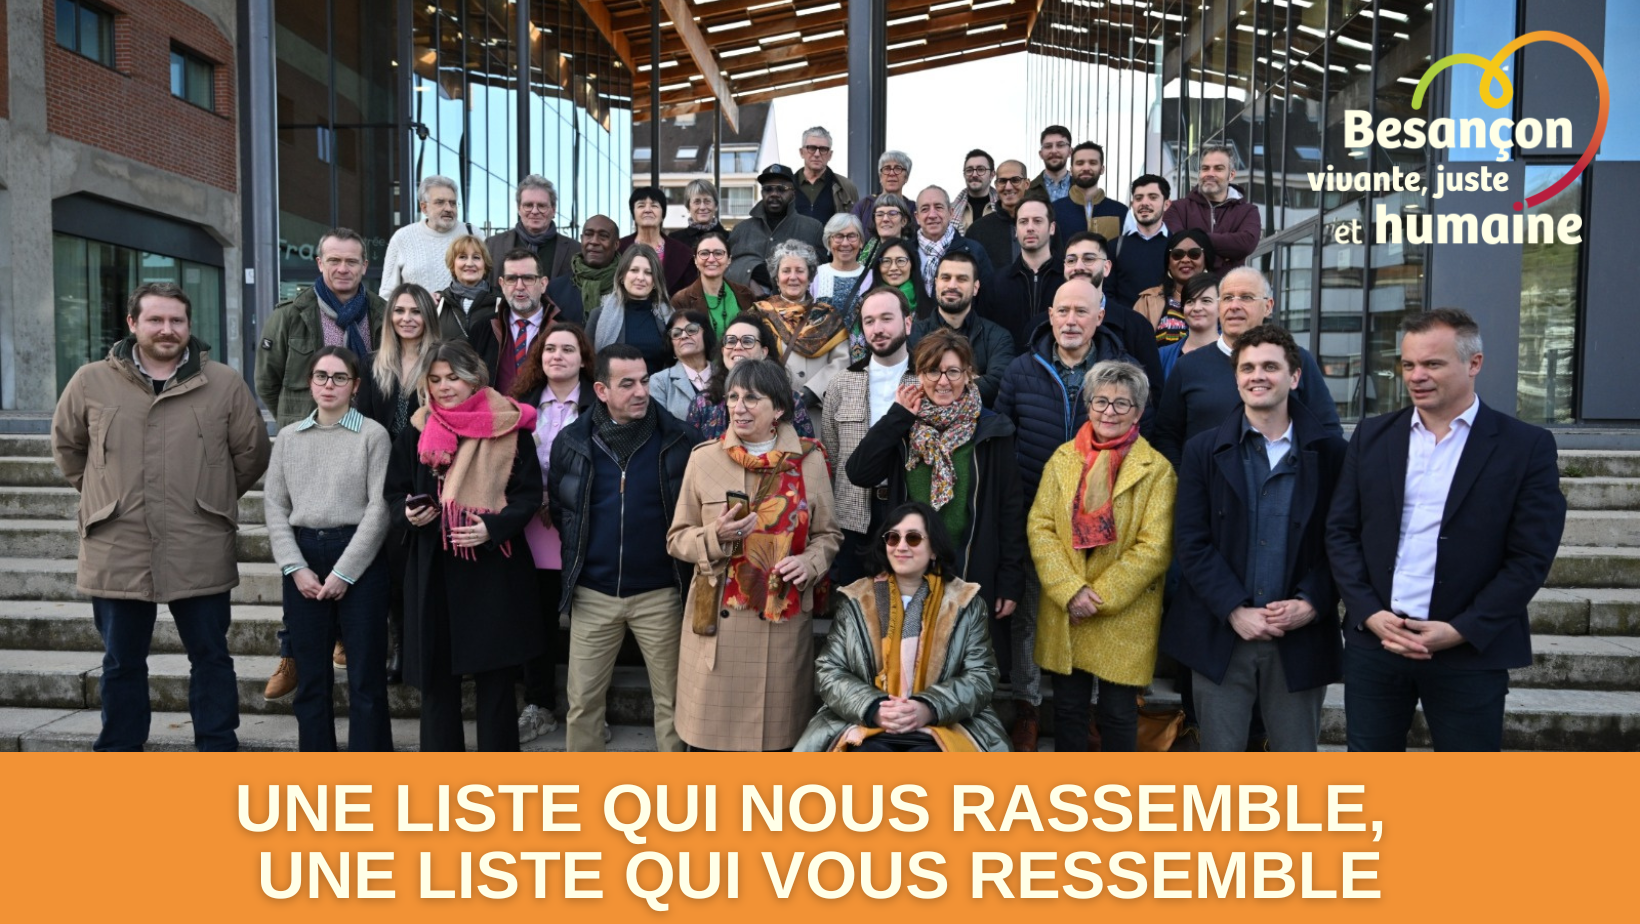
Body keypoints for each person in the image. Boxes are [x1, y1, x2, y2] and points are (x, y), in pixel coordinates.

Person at [1327, 309, 1566, 751]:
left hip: (1468, 651)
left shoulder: (1525, 447)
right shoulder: (1373, 435)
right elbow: (1341, 531)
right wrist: (1369, 614)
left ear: (1474, 364)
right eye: (1408, 364)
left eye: (1432, 364)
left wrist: (1461, 630)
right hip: (1377, 644)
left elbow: (1530, 558)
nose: (1416, 376)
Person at [52, 282, 272, 751]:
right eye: (155, 319)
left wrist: (208, 496)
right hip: (118, 543)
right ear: (132, 324)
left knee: (211, 657)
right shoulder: (91, 381)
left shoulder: (224, 383)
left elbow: (251, 453)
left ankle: (217, 748)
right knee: (121, 662)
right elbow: (69, 449)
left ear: (189, 327)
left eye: (176, 321)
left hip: (200, 541)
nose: (166, 329)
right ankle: (121, 751)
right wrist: (106, 496)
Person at [1164, 324, 1347, 752]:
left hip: (1299, 635)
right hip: (1221, 633)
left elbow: (1343, 541)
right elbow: (1191, 540)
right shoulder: (1202, 451)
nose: (1257, 375)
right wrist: (1233, 608)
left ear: (1295, 377)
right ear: (1236, 377)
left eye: (1270, 366)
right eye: (1247, 367)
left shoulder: (1332, 454)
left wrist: (1313, 603)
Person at [995, 278, 1144, 749]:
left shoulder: (1122, 373)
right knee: (1031, 615)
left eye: (1081, 311)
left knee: (1093, 613)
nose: (1071, 320)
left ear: (1100, 316)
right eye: (1062, 311)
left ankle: (1094, 708)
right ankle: (1028, 706)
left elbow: (1141, 439)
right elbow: (1003, 437)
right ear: (1050, 316)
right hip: (1034, 512)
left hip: (1100, 520)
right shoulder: (1022, 370)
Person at [668, 358, 841, 751]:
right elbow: (677, 538)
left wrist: (808, 563)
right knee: (711, 756)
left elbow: (828, 535)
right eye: (732, 396)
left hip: (779, 625)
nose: (738, 406)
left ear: (778, 409)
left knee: (772, 752)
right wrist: (716, 535)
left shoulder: (809, 461)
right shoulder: (704, 458)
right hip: (718, 623)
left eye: (751, 398)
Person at [847, 326, 1028, 695]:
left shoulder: (993, 430)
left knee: (962, 671)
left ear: (969, 375)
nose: (942, 381)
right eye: (932, 371)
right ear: (918, 375)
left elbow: (1010, 510)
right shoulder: (904, 427)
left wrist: (1010, 577)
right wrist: (899, 415)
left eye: (953, 371)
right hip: (907, 571)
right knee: (907, 673)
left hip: (970, 567)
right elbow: (859, 472)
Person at [385, 340, 543, 751]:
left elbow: (529, 495)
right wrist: (408, 514)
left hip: (491, 570)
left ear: (474, 378)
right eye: (435, 379)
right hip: (433, 569)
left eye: (453, 377)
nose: (444, 387)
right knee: (438, 686)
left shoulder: (508, 425)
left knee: (495, 686)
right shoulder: (416, 430)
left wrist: (492, 528)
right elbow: (394, 493)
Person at [549, 344, 701, 752]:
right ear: (601, 390)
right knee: (582, 704)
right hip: (594, 594)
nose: (640, 391)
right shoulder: (572, 442)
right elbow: (562, 508)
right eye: (627, 383)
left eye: (645, 381)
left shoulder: (681, 440)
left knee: (673, 703)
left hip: (660, 593)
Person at [1028, 360, 1175, 752]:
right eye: (1101, 402)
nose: (1109, 411)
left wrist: (1099, 597)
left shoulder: (1157, 470)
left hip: (1123, 612)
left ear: (1138, 412)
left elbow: (1155, 546)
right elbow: (1040, 527)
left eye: (1121, 404)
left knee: (1118, 713)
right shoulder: (1062, 459)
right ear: (1089, 406)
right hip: (1068, 606)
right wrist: (1070, 590)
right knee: (1069, 710)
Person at [796, 502, 1009, 752]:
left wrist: (929, 708)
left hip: (944, 727)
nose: (901, 546)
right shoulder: (856, 600)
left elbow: (982, 675)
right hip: (866, 725)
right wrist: (874, 708)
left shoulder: (964, 602)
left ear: (934, 550)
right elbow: (830, 670)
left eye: (914, 538)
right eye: (893, 538)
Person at [263, 346, 393, 752]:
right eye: (321, 376)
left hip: (358, 556)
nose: (329, 384)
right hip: (303, 557)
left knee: (366, 677)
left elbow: (380, 507)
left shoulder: (372, 435)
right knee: (312, 677)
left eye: (339, 377)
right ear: (310, 382)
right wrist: (294, 567)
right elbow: (274, 506)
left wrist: (345, 572)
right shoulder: (288, 438)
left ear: (355, 386)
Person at [1153, 267, 1343, 466]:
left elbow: (1327, 431)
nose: (1234, 305)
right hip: (1208, 491)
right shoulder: (1188, 366)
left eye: (1246, 297)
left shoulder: (1295, 359)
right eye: (1227, 298)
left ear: (1268, 306)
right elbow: (1166, 435)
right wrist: (1185, 482)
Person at [510, 321, 597, 745]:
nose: (557, 356)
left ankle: (589, 712)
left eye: (567, 349)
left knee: (590, 621)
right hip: (532, 526)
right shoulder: (520, 405)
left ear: (583, 358)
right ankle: (540, 704)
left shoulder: (599, 406)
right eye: (549, 350)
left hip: (584, 525)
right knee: (534, 618)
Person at [353, 282, 442, 686]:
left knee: (425, 570)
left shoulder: (442, 362)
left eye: (416, 311)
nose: (407, 318)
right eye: (400, 311)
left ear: (429, 316)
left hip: (430, 473)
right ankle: (400, 647)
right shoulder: (374, 365)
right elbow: (365, 425)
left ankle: (430, 649)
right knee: (391, 568)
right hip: (384, 477)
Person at [822, 286, 918, 585]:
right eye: (869, 321)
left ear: (908, 323)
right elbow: (832, 453)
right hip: (853, 520)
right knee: (854, 614)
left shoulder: (926, 379)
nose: (877, 329)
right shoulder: (842, 384)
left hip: (910, 513)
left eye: (886, 318)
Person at [258, 227, 386, 428]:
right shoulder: (289, 316)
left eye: (351, 261)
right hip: (308, 433)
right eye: (334, 260)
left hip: (368, 430)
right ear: (320, 263)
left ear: (364, 266)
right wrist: (294, 420)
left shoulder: (384, 314)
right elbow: (267, 382)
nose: (342, 269)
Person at [1062, 231, 1164, 396]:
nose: (1078, 266)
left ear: (1107, 267)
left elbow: (1153, 394)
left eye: (1088, 259)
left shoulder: (1136, 327)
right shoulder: (1043, 325)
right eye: (1071, 260)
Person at [910, 250, 1016, 406]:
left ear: (975, 287)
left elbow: (996, 386)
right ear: (936, 283)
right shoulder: (913, 334)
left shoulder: (999, 337)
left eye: (961, 279)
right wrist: (970, 378)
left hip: (981, 427)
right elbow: (909, 383)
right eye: (946, 278)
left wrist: (934, 381)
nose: (952, 285)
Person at [686, 312, 815, 441]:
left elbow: (806, 451)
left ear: (764, 352)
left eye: (747, 341)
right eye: (730, 341)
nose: (737, 347)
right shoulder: (702, 403)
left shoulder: (789, 400)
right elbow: (691, 456)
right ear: (723, 351)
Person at [752, 240, 851, 407]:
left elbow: (842, 361)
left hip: (816, 412)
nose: (793, 277)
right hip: (773, 410)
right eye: (786, 271)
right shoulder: (758, 315)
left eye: (800, 271)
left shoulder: (829, 316)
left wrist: (812, 392)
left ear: (810, 277)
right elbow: (750, 360)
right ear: (777, 278)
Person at [981, 195, 1061, 353]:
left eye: (1037, 221)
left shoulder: (1068, 279)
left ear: (1051, 228)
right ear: (1016, 230)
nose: (1030, 227)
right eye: (1023, 222)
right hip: (1009, 371)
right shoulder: (995, 283)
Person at [1163, 143, 1261, 271]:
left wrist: (1194, 238)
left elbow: (1246, 245)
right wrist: (1226, 255)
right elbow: (1177, 244)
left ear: (1231, 175)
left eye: (1218, 169)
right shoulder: (1178, 208)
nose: (1210, 173)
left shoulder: (1248, 211)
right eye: (1205, 168)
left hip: (1227, 288)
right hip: (1189, 288)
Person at [728, 164, 826, 290]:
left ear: (793, 193)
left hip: (795, 306)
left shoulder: (813, 229)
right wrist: (751, 273)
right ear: (762, 193)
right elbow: (726, 268)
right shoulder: (741, 230)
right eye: (768, 189)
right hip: (746, 305)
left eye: (781, 189)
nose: (774, 194)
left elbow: (821, 274)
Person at [585, 243, 673, 374]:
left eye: (648, 273)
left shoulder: (670, 318)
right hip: (615, 392)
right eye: (634, 270)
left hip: (660, 393)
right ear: (621, 276)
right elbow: (588, 363)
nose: (640, 278)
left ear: (655, 281)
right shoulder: (598, 316)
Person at [379, 175, 471, 296]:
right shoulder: (402, 237)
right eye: (440, 202)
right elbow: (387, 294)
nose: (448, 208)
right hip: (416, 314)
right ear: (424, 207)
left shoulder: (473, 234)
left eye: (452, 203)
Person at [492, 248, 562, 396]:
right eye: (511, 279)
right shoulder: (483, 330)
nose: (519, 286)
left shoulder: (564, 330)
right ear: (502, 284)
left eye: (528, 278)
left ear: (543, 284)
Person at [485, 174, 579, 282]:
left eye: (542, 206)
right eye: (528, 205)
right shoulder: (492, 246)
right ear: (519, 209)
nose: (534, 211)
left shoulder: (575, 251)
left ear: (553, 210)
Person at [1132, 227, 1214, 345]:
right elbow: (1134, 347)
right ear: (1169, 263)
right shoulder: (1147, 301)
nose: (1185, 259)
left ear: (1206, 259)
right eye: (1177, 254)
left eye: (1194, 254)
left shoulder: (1223, 300)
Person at [912, 185, 994, 300]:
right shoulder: (904, 252)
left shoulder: (974, 251)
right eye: (925, 209)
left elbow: (988, 299)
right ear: (917, 217)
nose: (932, 215)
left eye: (938, 207)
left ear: (951, 213)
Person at [433, 234, 501, 372]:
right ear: (453, 263)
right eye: (462, 257)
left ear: (485, 263)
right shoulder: (437, 303)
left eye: (476, 257)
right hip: (447, 384)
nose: (469, 263)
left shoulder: (502, 303)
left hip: (490, 386)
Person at [671, 230, 754, 339]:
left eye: (718, 253)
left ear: (729, 259)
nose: (711, 259)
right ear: (695, 260)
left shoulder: (746, 294)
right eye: (704, 253)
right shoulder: (681, 300)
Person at [1106, 174, 1172, 306]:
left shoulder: (1177, 246)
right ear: (1132, 204)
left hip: (1167, 324)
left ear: (1166, 204)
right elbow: (1107, 292)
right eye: (1138, 198)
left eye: (1153, 197)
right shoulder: (1114, 247)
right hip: (1125, 324)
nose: (1144, 203)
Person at [618, 186, 696, 294]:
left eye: (654, 206)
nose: (648, 210)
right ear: (633, 214)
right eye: (641, 205)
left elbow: (690, 294)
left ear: (663, 214)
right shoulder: (618, 248)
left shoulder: (683, 252)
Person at [545, 215, 619, 321]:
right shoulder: (556, 290)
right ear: (581, 239)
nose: (594, 241)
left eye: (603, 236)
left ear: (616, 244)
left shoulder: (628, 288)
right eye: (588, 235)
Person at [1050, 142, 1129, 243]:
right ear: (1071, 170)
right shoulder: (1054, 211)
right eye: (1080, 163)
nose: (1086, 168)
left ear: (1102, 169)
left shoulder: (1120, 212)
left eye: (1092, 163)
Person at [648, 309, 716, 420]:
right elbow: (660, 426)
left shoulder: (725, 374)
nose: (683, 336)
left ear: (706, 335)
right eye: (676, 333)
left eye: (692, 330)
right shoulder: (659, 382)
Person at [968, 159, 1031, 269]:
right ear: (996, 185)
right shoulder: (977, 230)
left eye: (1015, 180)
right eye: (1002, 181)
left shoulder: (1044, 225)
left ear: (1026, 184)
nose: (1008, 187)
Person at [1158, 272, 1221, 381]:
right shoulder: (1162, 356)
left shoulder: (1236, 353)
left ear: (1221, 307)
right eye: (1190, 301)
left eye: (1206, 301)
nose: (1196, 308)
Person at [794, 126, 859, 224]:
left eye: (823, 149)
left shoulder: (846, 187)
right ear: (801, 152)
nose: (817, 154)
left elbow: (854, 226)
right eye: (811, 148)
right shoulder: (787, 186)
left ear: (830, 155)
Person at [852, 149, 914, 228]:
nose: (891, 173)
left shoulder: (914, 209)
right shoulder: (864, 206)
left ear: (906, 177)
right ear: (880, 177)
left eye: (898, 169)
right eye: (887, 168)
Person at [671, 178, 729, 254]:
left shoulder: (730, 238)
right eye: (697, 202)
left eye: (707, 201)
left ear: (716, 206)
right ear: (688, 207)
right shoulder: (675, 240)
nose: (702, 207)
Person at [952, 148, 999, 232]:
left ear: (992, 175)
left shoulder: (1003, 208)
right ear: (964, 174)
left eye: (980, 169)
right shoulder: (950, 211)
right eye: (969, 170)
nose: (974, 174)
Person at [1030, 125, 1074, 202]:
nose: (1054, 151)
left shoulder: (1084, 190)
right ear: (1041, 154)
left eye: (1060, 145)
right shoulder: (1026, 190)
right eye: (1048, 146)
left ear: (1070, 152)